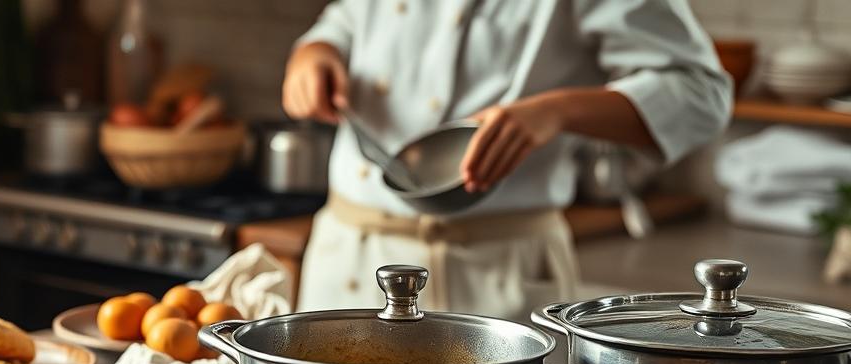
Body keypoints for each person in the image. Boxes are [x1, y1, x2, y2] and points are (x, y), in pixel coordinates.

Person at [284, 0, 731, 319]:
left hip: (497, 274)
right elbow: (349, 17)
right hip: (346, 264)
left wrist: (557, 112)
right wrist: (316, 52)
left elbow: (702, 94)